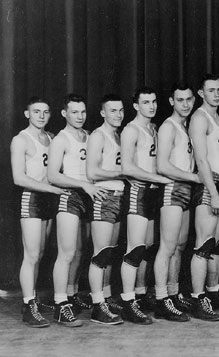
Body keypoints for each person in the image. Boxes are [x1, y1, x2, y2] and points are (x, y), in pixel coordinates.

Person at [48, 94, 108, 327]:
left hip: (90, 194)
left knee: (82, 250)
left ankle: (71, 296)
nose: (80, 116)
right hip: (70, 196)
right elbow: (53, 175)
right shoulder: (61, 140)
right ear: (64, 113)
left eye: (83, 112)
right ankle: (60, 305)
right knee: (67, 252)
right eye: (74, 112)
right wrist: (82, 184)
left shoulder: (90, 136)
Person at [11, 97, 66, 327]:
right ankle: (28, 304)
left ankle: (32, 299)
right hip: (32, 198)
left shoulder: (52, 138)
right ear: (27, 114)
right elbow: (19, 178)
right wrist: (52, 188)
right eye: (36, 112)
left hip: (49, 199)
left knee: (41, 253)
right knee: (31, 255)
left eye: (45, 112)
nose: (41, 116)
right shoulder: (20, 140)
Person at [120, 87, 171, 324]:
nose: (151, 106)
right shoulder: (131, 130)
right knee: (135, 249)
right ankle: (128, 302)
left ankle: (140, 295)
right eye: (145, 102)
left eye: (153, 101)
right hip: (138, 192)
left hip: (152, 194)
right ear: (135, 105)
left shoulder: (154, 128)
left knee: (148, 249)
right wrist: (160, 179)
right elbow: (127, 168)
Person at [153, 82, 201, 322]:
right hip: (172, 188)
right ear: (172, 101)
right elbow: (162, 166)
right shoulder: (168, 127)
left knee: (180, 246)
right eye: (180, 100)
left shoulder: (185, 126)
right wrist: (194, 176)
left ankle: (172, 292)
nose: (185, 104)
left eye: (189, 99)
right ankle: (162, 299)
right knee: (167, 246)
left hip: (186, 189)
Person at [188, 74, 219, 321]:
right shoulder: (199, 118)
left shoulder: (216, 117)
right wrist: (213, 193)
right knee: (203, 244)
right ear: (201, 93)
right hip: (208, 186)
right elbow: (202, 160)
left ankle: (212, 294)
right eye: (211, 90)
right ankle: (197, 298)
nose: (217, 94)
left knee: (218, 242)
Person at [85, 94, 126, 325]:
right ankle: (96, 306)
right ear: (103, 113)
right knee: (100, 254)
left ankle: (106, 298)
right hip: (104, 195)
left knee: (109, 253)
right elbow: (91, 172)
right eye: (112, 111)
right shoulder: (98, 136)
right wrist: (122, 173)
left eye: (120, 110)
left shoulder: (118, 135)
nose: (118, 114)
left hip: (118, 195)